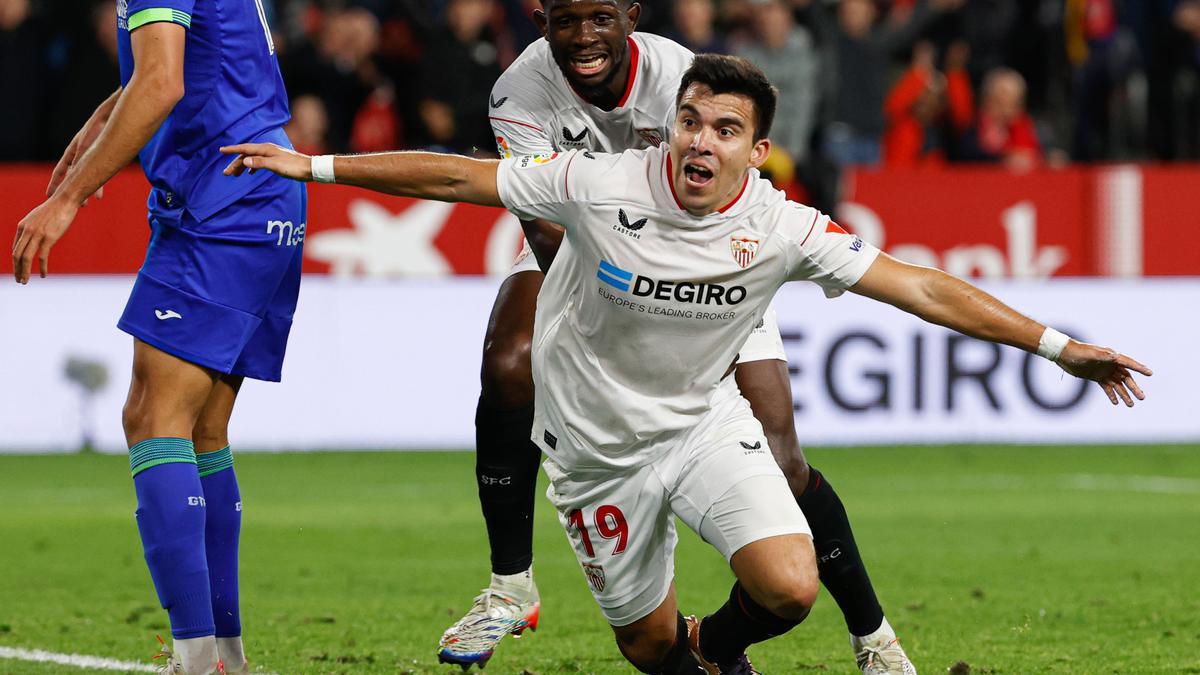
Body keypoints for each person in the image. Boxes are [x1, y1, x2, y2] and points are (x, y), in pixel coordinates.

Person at [222, 53, 1150, 674]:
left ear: (756, 149)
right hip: (594, 456)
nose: (701, 141)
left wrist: (1062, 347)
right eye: (691, 122)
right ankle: (651, 636)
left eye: (724, 130)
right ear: (672, 126)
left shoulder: (780, 225)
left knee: (789, 585)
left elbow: (917, 286)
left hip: (702, 425)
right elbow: (459, 177)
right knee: (645, 647)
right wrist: (315, 167)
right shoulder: (598, 185)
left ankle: (729, 644)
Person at [443, 0, 911, 671]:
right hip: (587, 246)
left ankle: (874, 638)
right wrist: (621, 314)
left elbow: (732, 180)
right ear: (540, 17)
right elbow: (543, 223)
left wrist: (686, 309)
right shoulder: (517, 89)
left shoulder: (678, 74)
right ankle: (509, 585)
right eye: (566, 19)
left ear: (629, 17)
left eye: (599, 18)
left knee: (782, 453)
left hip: (710, 253)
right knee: (508, 362)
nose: (584, 38)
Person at [11, 1, 304, 673]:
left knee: (153, 415)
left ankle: (198, 659)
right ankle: (222, 653)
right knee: (202, 429)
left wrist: (68, 198)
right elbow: (190, 61)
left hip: (221, 196)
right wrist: (101, 120)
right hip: (263, 186)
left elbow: (163, 81)